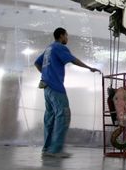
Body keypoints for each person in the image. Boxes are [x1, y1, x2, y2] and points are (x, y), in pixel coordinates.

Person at [34, 27, 100, 158]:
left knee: (50, 118)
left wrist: (46, 74)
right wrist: (89, 68)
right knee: (63, 115)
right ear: (61, 36)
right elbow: (72, 59)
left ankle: (46, 148)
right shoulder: (59, 47)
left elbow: (37, 63)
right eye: (66, 36)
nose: (67, 38)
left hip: (46, 88)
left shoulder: (49, 48)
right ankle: (56, 150)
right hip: (56, 87)